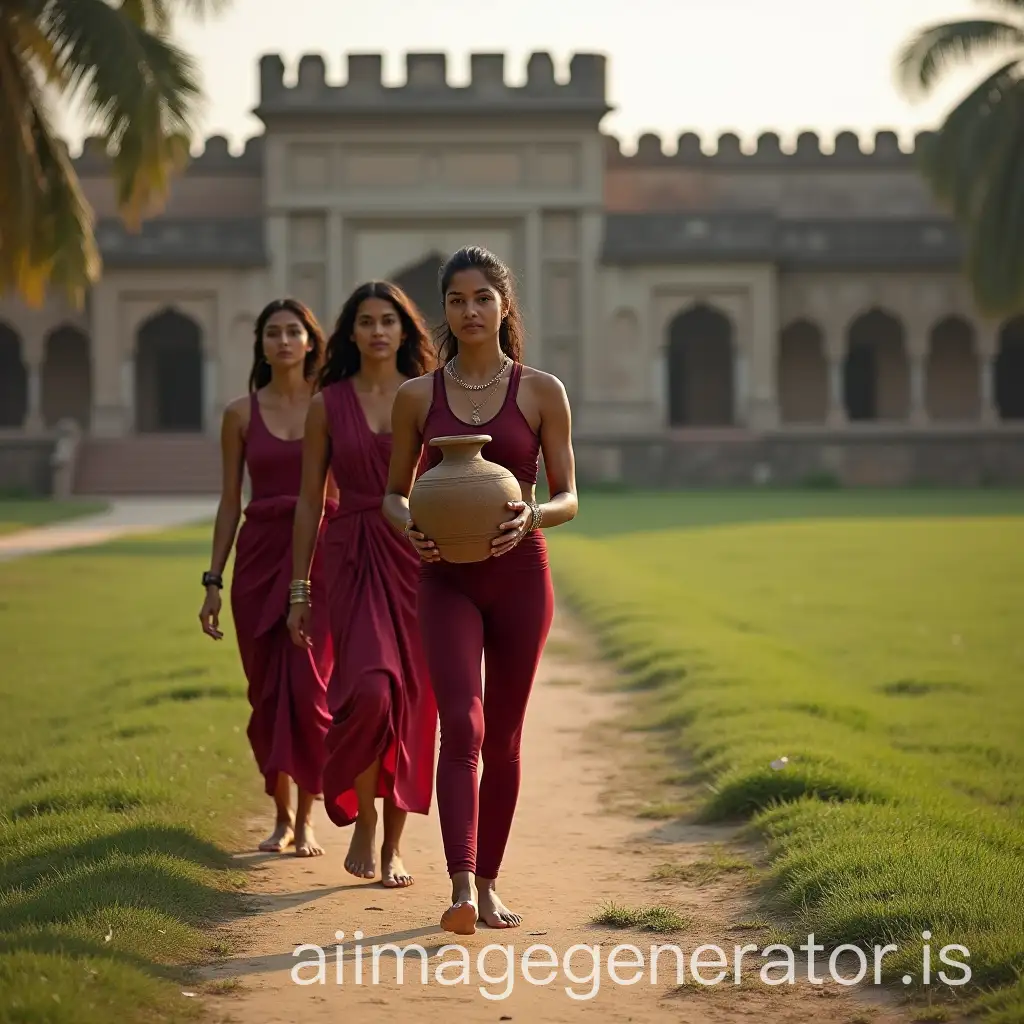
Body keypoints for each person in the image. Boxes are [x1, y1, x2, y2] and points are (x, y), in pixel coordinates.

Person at [382, 245, 578, 933]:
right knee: (461, 723)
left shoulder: (541, 391)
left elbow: (570, 496)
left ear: (504, 306)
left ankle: (491, 881)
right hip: (444, 580)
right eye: (457, 300)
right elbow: (391, 496)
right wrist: (409, 527)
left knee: (505, 737)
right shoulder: (416, 398)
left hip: (522, 576)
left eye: (482, 298)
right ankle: (462, 887)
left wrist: (533, 515)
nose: (469, 310)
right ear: (445, 310)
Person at [287, 280, 438, 888]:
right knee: (372, 692)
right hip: (349, 557)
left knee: (414, 705)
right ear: (350, 332)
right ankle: (366, 818)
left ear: (405, 330)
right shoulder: (328, 403)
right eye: (366, 321)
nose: (378, 331)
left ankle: (395, 844)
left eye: (389, 320)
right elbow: (307, 503)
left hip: (416, 557)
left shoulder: (428, 398)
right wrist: (300, 590)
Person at [199, 298, 336, 857]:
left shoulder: (330, 406)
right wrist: (213, 579)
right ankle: (281, 816)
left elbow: (343, 490)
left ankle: (306, 820)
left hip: (316, 557)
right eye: (273, 333)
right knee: (266, 696)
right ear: (260, 344)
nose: (283, 341)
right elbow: (231, 502)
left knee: (308, 690)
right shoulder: (239, 414)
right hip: (258, 559)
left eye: (293, 332)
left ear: (311, 342)